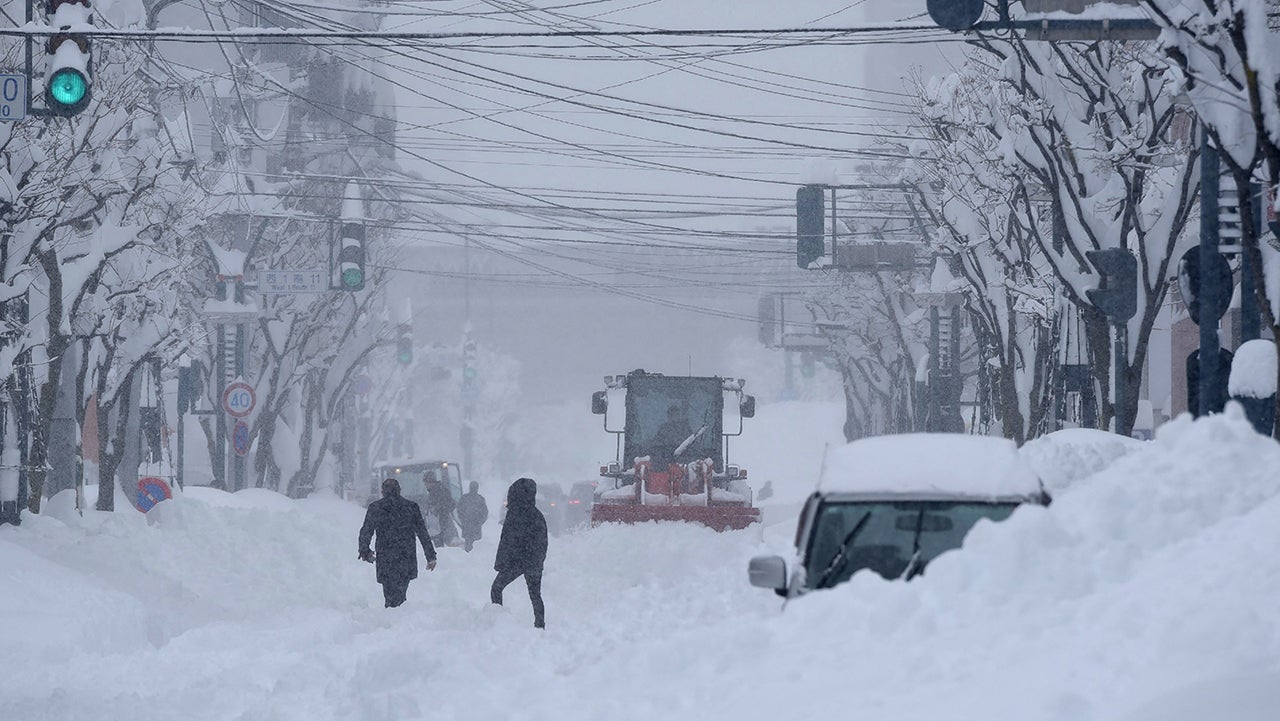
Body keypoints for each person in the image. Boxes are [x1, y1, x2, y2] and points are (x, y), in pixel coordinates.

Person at [358, 478, 437, 608]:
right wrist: (430, 556)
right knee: (401, 589)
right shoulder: (411, 507)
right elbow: (423, 533)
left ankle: (391, 611)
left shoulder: (376, 508)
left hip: (386, 556)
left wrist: (364, 551)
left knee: (388, 590)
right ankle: (399, 611)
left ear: (382, 492)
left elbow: (366, 531)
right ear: (400, 491)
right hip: (406, 556)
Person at [491, 477, 547, 629]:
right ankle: (540, 626)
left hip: (515, 562)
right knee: (535, 595)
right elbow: (542, 543)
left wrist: (502, 563)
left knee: (496, 588)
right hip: (532, 562)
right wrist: (538, 561)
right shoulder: (537, 515)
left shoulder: (514, 514)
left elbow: (507, 542)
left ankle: (498, 621)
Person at [424, 473, 459, 546]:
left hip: (441, 524)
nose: (425, 485)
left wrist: (436, 508)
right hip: (440, 524)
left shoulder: (438, 491)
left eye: (426, 483)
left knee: (440, 548)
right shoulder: (438, 490)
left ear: (430, 482)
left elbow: (450, 504)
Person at [456, 481, 489, 552]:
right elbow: (485, 513)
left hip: (468, 526)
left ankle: (469, 559)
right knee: (476, 547)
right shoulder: (480, 499)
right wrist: (480, 522)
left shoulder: (464, 498)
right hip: (475, 527)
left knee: (468, 545)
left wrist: (463, 520)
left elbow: (459, 510)